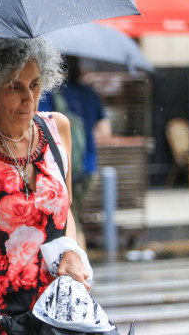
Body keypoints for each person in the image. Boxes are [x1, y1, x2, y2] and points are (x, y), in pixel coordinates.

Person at [0, 38, 90, 334]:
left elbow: (65, 214)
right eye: (15, 86)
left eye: (35, 84)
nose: (29, 98)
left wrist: (72, 253)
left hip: (51, 308)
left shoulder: (57, 128)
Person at [37, 56, 111, 247]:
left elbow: (40, 126)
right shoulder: (89, 93)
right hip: (88, 165)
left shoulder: (51, 94)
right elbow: (105, 130)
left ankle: (78, 269)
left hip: (62, 167)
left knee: (71, 221)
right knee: (74, 217)